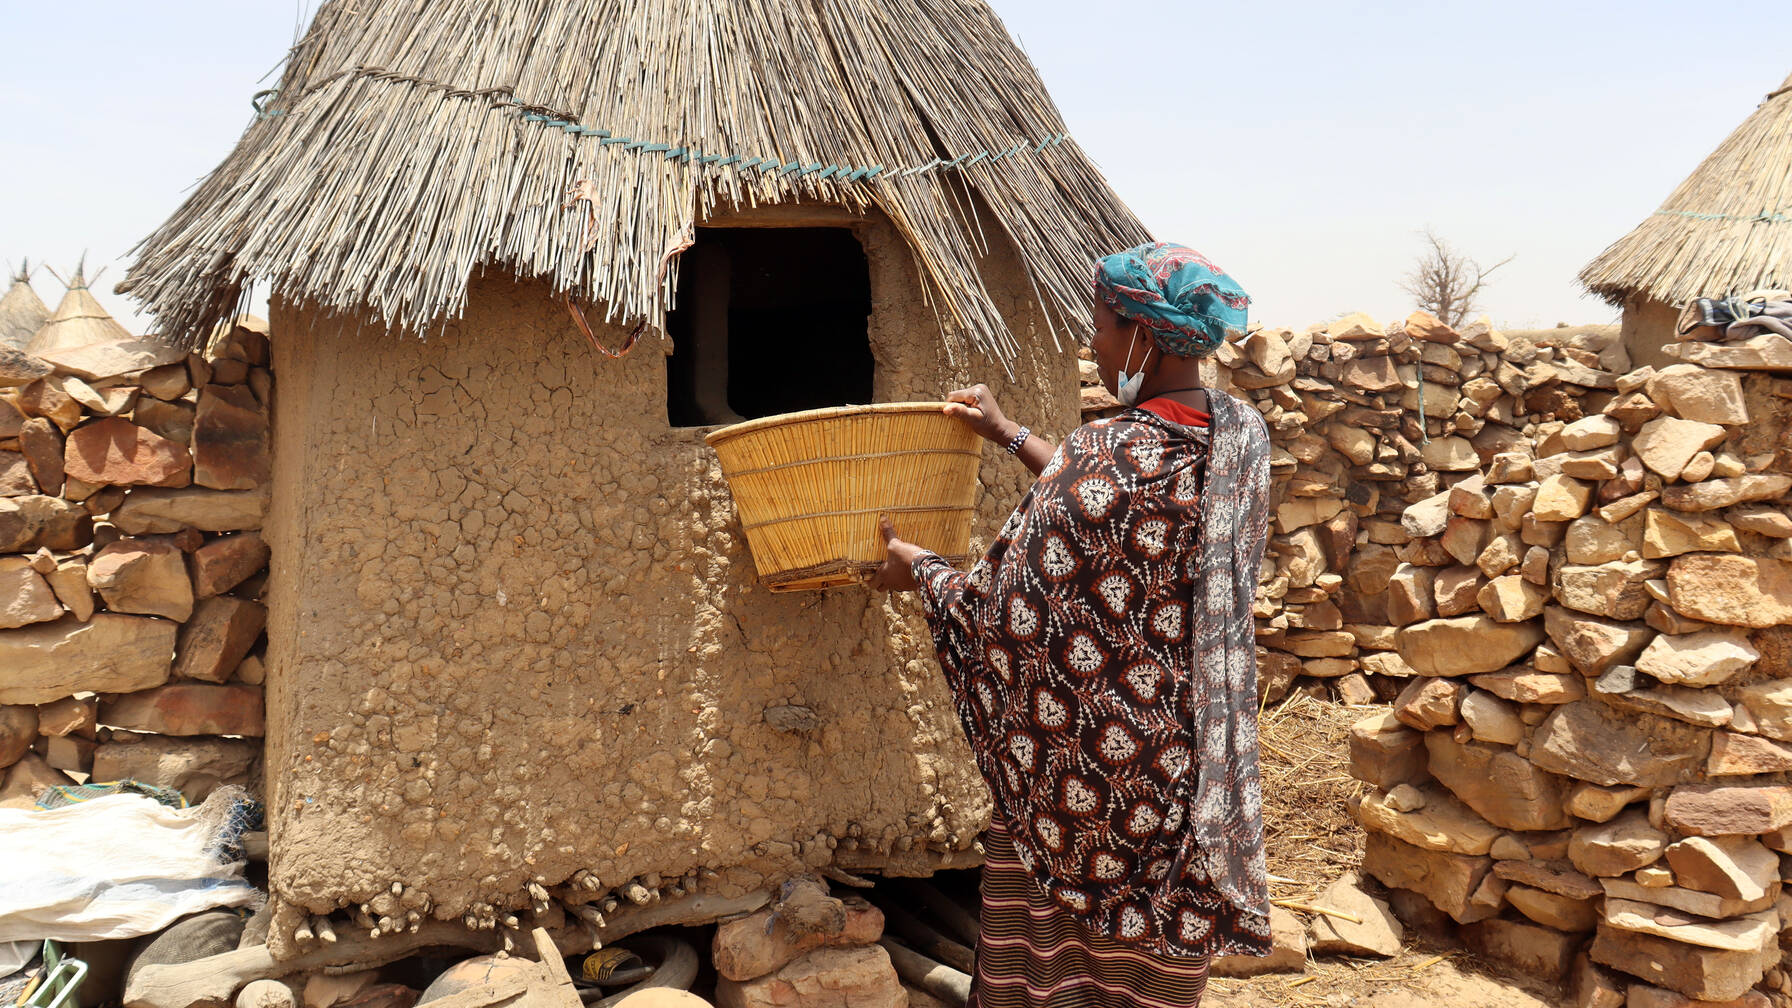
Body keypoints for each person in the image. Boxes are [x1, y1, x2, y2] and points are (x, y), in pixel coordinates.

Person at [872, 242, 1273, 1007]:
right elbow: (1113, 507)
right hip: (1181, 777)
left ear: (1142, 337)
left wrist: (916, 566)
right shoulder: (1240, 441)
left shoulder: (1104, 453)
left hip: (1080, 783)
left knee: (1048, 975)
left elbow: (999, 612)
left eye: (1100, 324)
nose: (1093, 342)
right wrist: (1010, 432)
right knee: (1146, 980)